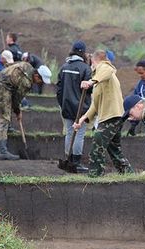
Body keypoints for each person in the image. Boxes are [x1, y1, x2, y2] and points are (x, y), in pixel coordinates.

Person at [73, 50, 133, 177]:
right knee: (114, 149)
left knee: (97, 146)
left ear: (93, 61)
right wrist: (81, 120)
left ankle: (95, 175)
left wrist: (91, 82)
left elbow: (108, 70)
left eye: (91, 64)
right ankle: (128, 174)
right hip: (111, 117)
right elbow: (95, 105)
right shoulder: (98, 80)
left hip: (111, 117)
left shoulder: (104, 68)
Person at [0, 62, 51, 160]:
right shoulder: (26, 83)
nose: (40, 83)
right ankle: (2, 151)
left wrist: (16, 109)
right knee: (4, 118)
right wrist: (18, 112)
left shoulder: (27, 66)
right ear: (36, 75)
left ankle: (8, 128)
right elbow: (17, 99)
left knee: (8, 104)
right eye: (40, 80)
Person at [57, 41, 91, 173]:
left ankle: (68, 159)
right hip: (80, 108)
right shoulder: (85, 68)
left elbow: (58, 89)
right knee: (79, 134)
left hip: (66, 106)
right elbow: (89, 89)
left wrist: (62, 103)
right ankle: (76, 162)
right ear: (83, 52)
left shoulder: (64, 66)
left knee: (69, 132)